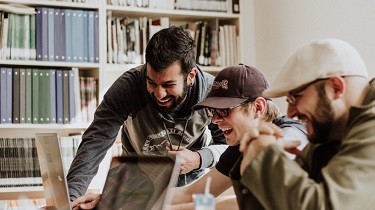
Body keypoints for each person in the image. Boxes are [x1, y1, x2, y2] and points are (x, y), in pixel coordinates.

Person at [67, 26, 228, 201]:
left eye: (168, 85)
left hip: (191, 190)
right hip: (136, 187)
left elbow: (228, 146)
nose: (159, 94)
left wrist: (199, 159)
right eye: (151, 82)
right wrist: (71, 199)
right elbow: (95, 143)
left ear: (191, 76)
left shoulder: (211, 93)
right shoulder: (127, 87)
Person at [235, 39, 375, 209]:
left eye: (295, 97)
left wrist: (264, 155)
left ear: (336, 88)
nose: (290, 112)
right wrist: (252, 155)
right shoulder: (326, 133)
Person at [168, 64, 308, 210]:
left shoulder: (292, 133)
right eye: (212, 111)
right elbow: (191, 193)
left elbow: (251, 203)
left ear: (258, 107)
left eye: (223, 110)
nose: (215, 120)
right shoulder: (242, 144)